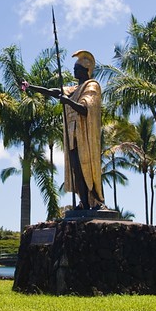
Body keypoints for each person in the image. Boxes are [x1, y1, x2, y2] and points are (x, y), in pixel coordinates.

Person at [22, 50, 104, 210]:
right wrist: (31, 87)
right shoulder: (73, 88)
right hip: (72, 133)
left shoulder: (92, 86)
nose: (74, 70)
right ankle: (84, 203)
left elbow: (86, 109)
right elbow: (53, 92)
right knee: (76, 169)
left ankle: (95, 200)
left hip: (84, 134)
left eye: (77, 68)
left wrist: (68, 102)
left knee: (86, 167)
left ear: (86, 70)